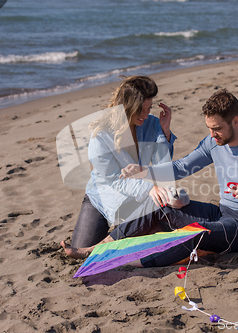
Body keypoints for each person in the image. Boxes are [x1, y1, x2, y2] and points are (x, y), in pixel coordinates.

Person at [63, 89, 238, 266]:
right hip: (223, 211)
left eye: (216, 128)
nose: (211, 135)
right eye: (208, 128)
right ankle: (95, 249)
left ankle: (125, 262)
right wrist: (146, 172)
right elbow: (182, 167)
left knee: (194, 232)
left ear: (235, 121)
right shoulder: (213, 143)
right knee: (157, 204)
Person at [63, 75, 177, 250]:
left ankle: (123, 230)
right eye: (142, 109)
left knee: (161, 239)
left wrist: (166, 132)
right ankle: (120, 229)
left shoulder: (152, 122)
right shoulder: (100, 134)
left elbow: (164, 166)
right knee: (82, 246)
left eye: (149, 108)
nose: (147, 115)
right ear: (128, 107)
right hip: (103, 199)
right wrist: (149, 188)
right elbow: (116, 180)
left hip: (139, 197)